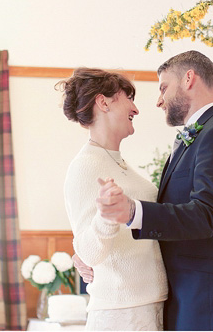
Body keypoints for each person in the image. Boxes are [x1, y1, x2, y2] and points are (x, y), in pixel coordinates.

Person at [96, 51, 213, 331]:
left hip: (209, 301)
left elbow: (205, 215)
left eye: (163, 88)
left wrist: (133, 211)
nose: (159, 101)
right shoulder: (194, 138)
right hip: (184, 297)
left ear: (189, 79)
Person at [60, 68, 168, 331]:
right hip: (122, 314)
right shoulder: (85, 166)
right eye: (128, 97)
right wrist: (106, 217)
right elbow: (88, 252)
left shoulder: (118, 163)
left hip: (150, 306)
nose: (136, 108)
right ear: (103, 102)